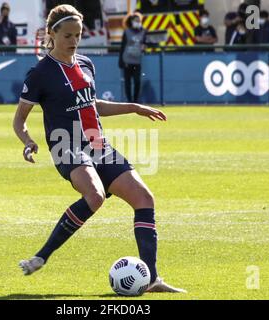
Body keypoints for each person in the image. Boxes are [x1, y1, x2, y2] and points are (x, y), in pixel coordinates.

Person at [14, 4, 186, 293]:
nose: (73, 41)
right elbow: (19, 119)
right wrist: (28, 141)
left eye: (78, 35)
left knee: (144, 198)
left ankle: (152, 278)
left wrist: (134, 107)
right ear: (52, 34)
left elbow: (92, 106)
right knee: (94, 195)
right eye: (67, 35)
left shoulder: (86, 64)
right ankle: (41, 257)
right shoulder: (40, 73)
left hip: (97, 143)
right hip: (66, 146)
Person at [119, 12, 147, 103]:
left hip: (137, 61)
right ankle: (129, 101)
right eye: (136, 21)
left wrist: (144, 48)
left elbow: (144, 44)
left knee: (137, 81)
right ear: (131, 21)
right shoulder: (127, 31)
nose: (138, 22)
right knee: (127, 82)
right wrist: (120, 61)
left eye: (139, 21)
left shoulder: (143, 31)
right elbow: (123, 46)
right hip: (127, 60)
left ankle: (135, 100)